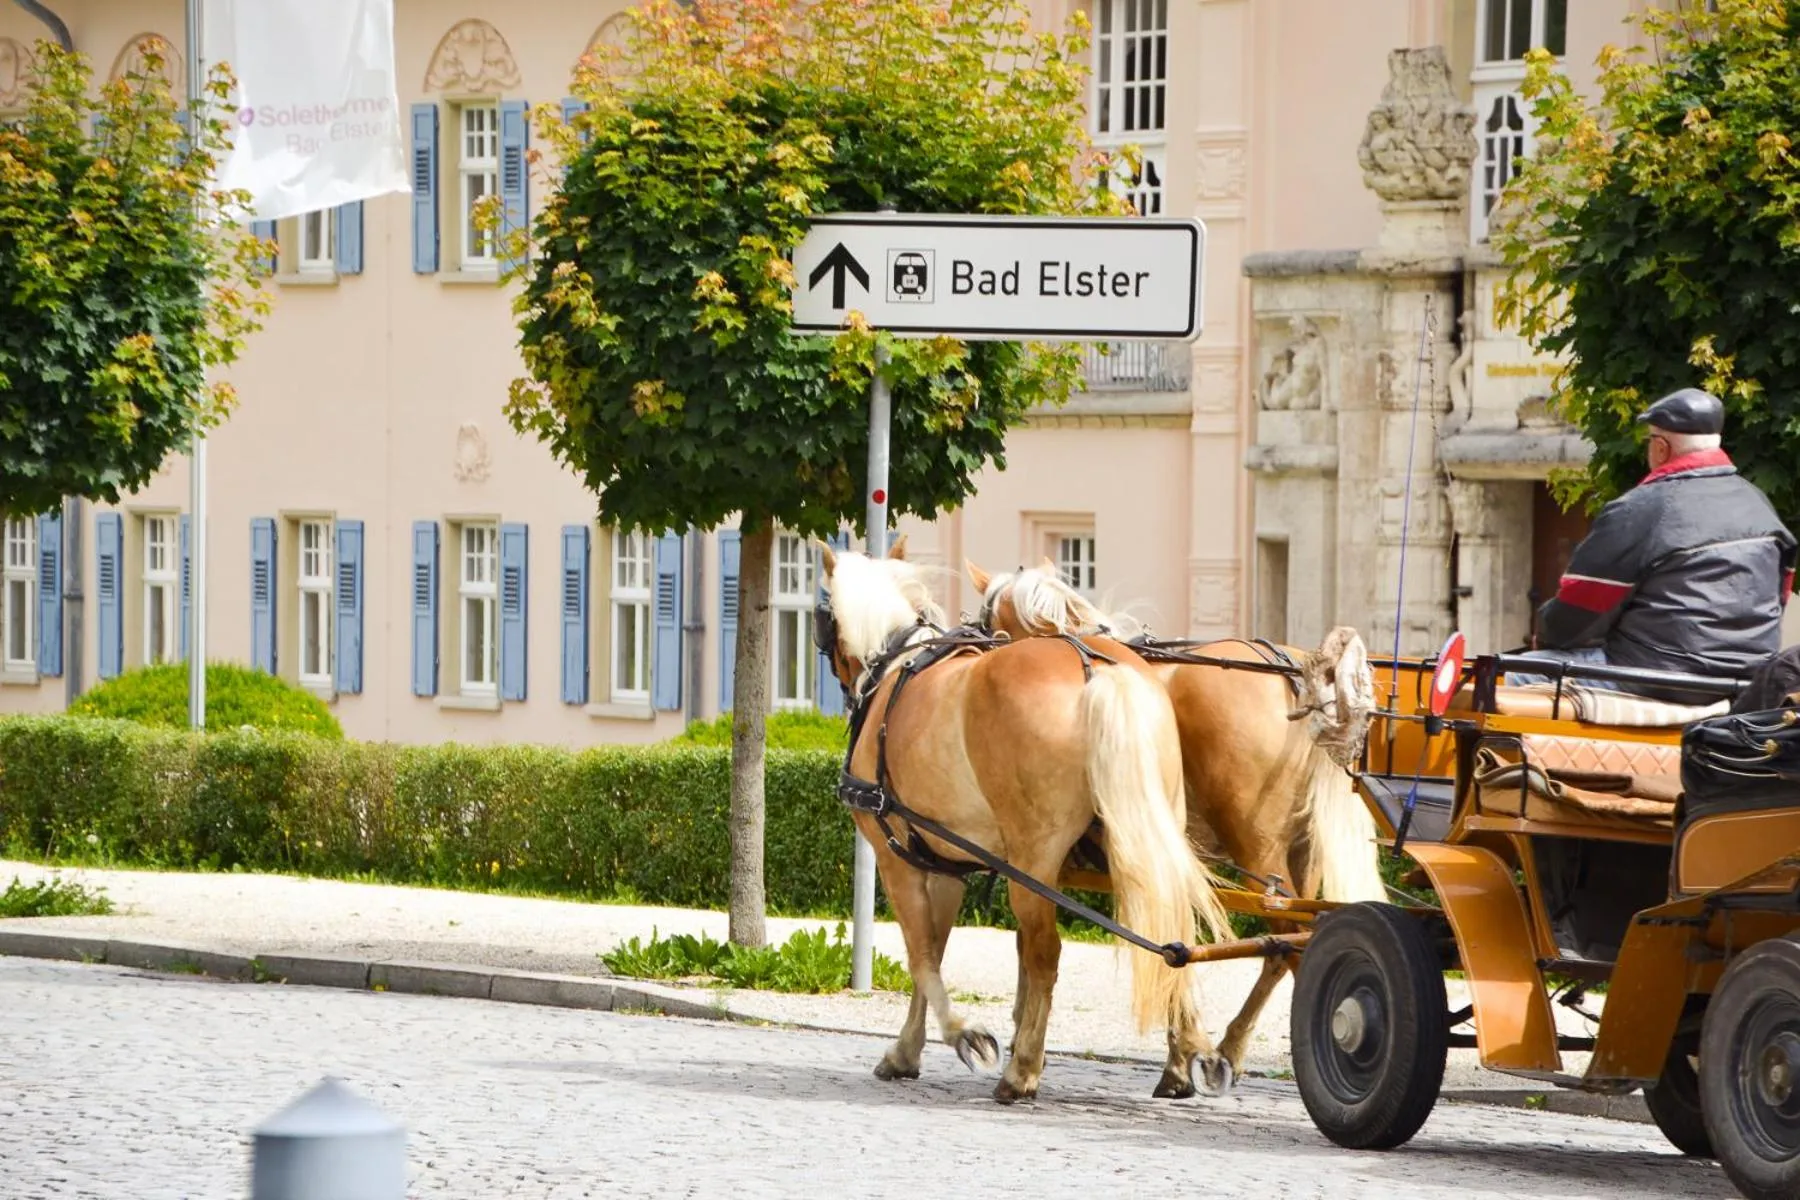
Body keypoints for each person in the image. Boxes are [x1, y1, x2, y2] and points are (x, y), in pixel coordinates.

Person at [1510, 387, 1797, 700]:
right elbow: (1779, 594)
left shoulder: (1640, 508)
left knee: (1516, 673)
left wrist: (1546, 636)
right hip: (1749, 681)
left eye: (1649, 440)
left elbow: (1581, 606)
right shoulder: (1759, 504)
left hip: (1659, 675)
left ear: (1661, 448)